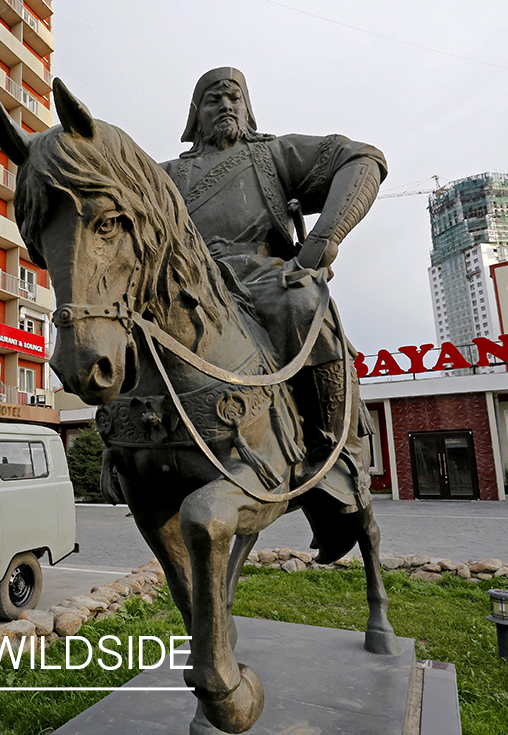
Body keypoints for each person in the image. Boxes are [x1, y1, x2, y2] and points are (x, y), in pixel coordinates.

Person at [161, 66, 386, 529]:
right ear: (195, 114)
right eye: (213, 99)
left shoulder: (273, 153)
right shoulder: (169, 175)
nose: (225, 105)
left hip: (263, 276)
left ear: (246, 108)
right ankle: (130, 441)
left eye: (234, 97)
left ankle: (336, 453)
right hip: (191, 282)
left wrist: (326, 236)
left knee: (303, 302)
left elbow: (363, 159)